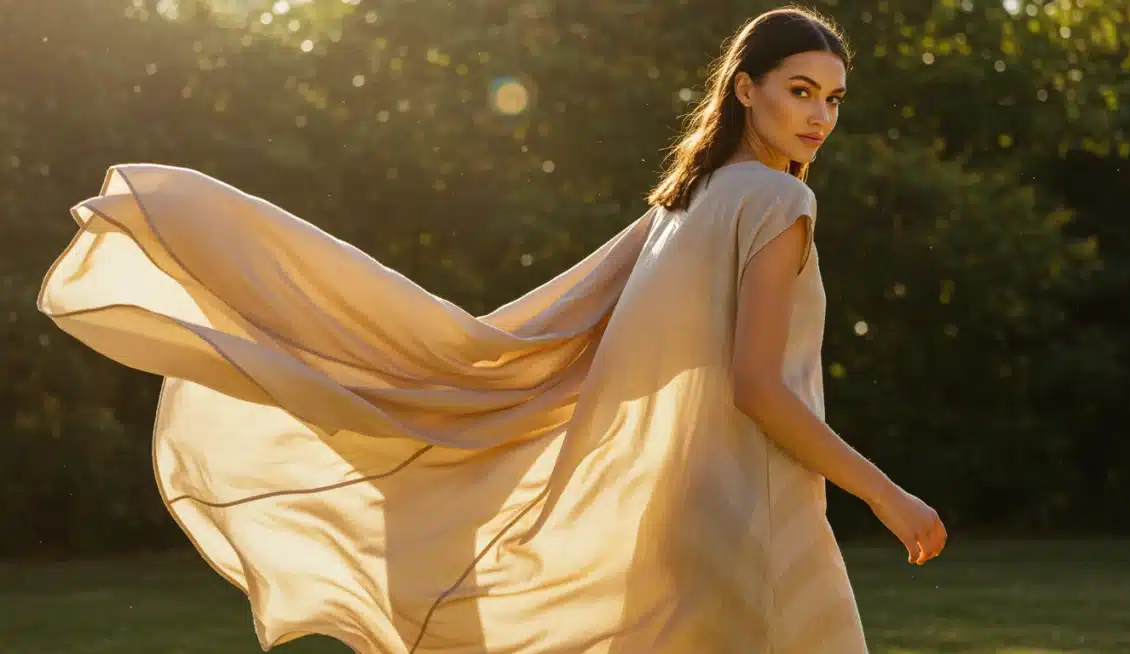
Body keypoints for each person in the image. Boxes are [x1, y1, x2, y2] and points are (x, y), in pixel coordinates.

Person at [37, 5, 945, 653]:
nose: (819, 117)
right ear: (746, 91)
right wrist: (887, 495)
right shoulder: (778, 199)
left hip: (682, 518)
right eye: (800, 91)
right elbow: (755, 387)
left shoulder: (686, 202)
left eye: (832, 99)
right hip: (755, 517)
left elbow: (557, 338)